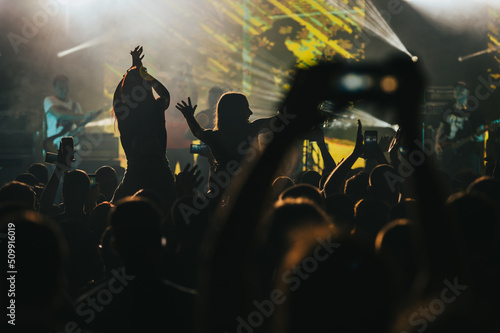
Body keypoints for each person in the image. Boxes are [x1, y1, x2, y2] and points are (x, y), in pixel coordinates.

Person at [175, 92, 283, 198]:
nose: (250, 112)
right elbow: (280, 120)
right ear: (236, 111)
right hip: (253, 190)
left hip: (223, 193)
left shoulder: (215, 136)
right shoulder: (253, 129)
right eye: (246, 108)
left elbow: (197, 131)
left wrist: (189, 116)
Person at [111, 46, 177, 212]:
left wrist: (132, 70)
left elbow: (117, 95)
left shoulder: (123, 113)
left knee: (117, 211)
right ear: (146, 87)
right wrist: (143, 73)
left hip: (134, 175)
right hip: (161, 173)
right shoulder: (156, 107)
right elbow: (166, 95)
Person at [434, 81, 486, 176]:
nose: (457, 92)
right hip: (449, 154)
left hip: (468, 154)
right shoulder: (448, 107)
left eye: (461, 90)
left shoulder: (474, 109)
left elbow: (481, 132)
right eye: (456, 89)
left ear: (467, 93)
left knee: (470, 180)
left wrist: (480, 137)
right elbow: (441, 127)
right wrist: (436, 144)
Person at [43, 74, 95, 153]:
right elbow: (59, 114)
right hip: (53, 147)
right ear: (55, 87)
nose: (64, 90)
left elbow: (81, 127)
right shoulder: (49, 100)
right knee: (53, 165)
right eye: (61, 88)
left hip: (72, 148)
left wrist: (79, 132)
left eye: (66, 87)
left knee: (73, 165)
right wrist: (85, 116)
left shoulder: (75, 105)